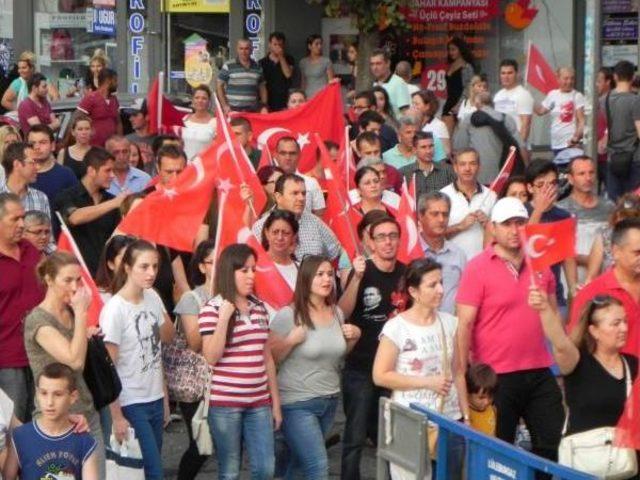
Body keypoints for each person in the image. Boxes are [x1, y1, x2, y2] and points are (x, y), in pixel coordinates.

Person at [456, 197, 564, 462]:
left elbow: (554, 320)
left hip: (539, 368)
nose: (515, 230)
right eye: (507, 224)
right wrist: (463, 374)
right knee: (498, 452)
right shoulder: (477, 267)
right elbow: (464, 324)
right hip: (496, 375)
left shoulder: (541, 263)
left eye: (520, 223)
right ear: (493, 227)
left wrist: (562, 366)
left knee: (553, 444)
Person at [373, 258, 469, 480]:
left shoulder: (450, 323)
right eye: (432, 285)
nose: (441, 290)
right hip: (410, 420)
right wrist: (427, 382)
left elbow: (458, 372)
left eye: (441, 283)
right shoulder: (397, 327)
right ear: (413, 291)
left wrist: (466, 417)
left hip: (449, 420)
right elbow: (380, 375)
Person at [270, 255, 361, 479]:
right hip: (297, 402)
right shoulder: (288, 315)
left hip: (329, 400)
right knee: (318, 467)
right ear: (306, 278)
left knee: (299, 464)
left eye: (330, 274)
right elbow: (270, 358)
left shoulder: (337, 313)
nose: (327, 279)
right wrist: (290, 340)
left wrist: (354, 339)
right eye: (320, 274)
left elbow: (334, 355)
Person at [199, 243, 281, 480]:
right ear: (229, 271)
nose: (251, 276)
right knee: (230, 470)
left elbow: (267, 358)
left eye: (253, 270)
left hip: (258, 401)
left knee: (266, 468)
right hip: (225, 403)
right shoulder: (211, 309)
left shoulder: (259, 307)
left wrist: (274, 402)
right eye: (244, 270)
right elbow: (210, 357)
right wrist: (224, 318)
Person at [24, 252, 105, 476]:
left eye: (78, 280)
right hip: (55, 419)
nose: (74, 287)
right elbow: (74, 360)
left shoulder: (70, 311)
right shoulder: (37, 320)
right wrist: (81, 313)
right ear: (49, 280)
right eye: (67, 280)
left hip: (87, 413)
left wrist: (85, 330)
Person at [100, 239, 175, 480]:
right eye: (144, 266)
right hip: (130, 401)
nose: (151, 272)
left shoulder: (152, 297)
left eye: (155, 266)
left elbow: (160, 347)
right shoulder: (114, 309)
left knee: (149, 470)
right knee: (153, 471)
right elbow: (107, 368)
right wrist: (116, 415)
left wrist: (163, 397)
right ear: (127, 268)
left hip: (154, 396)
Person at [338, 216, 406, 480]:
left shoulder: (406, 272)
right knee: (355, 436)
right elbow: (341, 312)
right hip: (361, 367)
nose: (388, 242)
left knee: (391, 438)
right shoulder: (360, 271)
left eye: (392, 235)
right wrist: (356, 278)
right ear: (370, 242)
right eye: (381, 237)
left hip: (394, 369)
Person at [532, 290, 638, 439]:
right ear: (594, 331)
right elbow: (560, 344)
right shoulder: (578, 361)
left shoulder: (632, 364)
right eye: (616, 324)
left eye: (625, 321)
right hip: (582, 457)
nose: (624, 328)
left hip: (624, 458)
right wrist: (544, 309)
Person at [3, 363, 98, 480]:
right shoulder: (19, 437)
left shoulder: (85, 441)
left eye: (58, 394)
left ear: (73, 397)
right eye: (44, 393)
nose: (50, 402)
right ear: (37, 394)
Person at [0, 192, 45, 422]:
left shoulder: (30, 250)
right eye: (14, 219)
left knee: (39, 423)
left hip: (40, 351)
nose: (21, 224)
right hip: (7, 358)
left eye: (23, 217)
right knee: (12, 428)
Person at [172, 240, 215, 480]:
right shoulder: (192, 299)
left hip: (222, 381)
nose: (218, 266)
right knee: (200, 445)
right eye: (212, 262)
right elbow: (194, 343)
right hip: (195, 385)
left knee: (219, 443)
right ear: (201, 267)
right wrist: (216, 313)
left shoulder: (233, 295)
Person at [570, 218, 640, 357]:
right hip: (615, 377)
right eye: (637, 253)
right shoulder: (592, 294)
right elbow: (576, 344)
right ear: (615, 252)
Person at [55, 147, 124, 276]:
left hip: (106, 276)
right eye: (107, 171)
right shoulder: (66, 196)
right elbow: (74, 218)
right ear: (91, 171)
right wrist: (113, 203)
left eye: (113, 171)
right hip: (76, 275)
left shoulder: (112, 201)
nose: (112, 176)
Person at [525, 159, 577, 307]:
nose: (548, 189)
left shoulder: (563, 217)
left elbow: (568, 258)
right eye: (541, 185)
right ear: (530, 188)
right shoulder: (520, 212)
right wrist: (539, 210)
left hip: (555, 296)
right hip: (526, 296)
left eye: (553, 183)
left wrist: (573, 291)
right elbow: (522, 248)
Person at [253, 174, 341, 260]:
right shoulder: (260, 227)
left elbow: (338, 253)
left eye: (303, 193)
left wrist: (345, 268)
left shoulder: (315, 222)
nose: (301, 198)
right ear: (278, 197)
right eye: (295, 193)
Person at [558, 155, 613, 277]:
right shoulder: (560, 210)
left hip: (602, 278)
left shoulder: (609, 207)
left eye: (591, 173)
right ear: (571, 179)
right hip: (570, 279)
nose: (588, 178)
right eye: (581, 174)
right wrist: (587, 259)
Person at [453, 91, 523, 185]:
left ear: (477, 104)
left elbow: (459, 148)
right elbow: (520, 147)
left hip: (476, 177)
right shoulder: (506, 118)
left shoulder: (469, 120)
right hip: (503, 176)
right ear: (492, 103)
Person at [442, 148, 497, 260]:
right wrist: (459, 226)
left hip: (484, 263)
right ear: (455, 168)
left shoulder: (492, 196)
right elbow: (433, 235)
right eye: (463, 164)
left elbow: (501, 235)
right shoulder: (442, 195)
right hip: (452, 264)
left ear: (479, 167)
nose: (467, 169)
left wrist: (488, 225)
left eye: (472, 163)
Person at [418, 191, 467, 315]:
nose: (441, 220)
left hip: (451, 327)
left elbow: (466, 296)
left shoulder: (458, 254)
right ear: (420, 216)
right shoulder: (411, 252)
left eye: (445, 214)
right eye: (434, 214)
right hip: (418, 328)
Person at [28, 125, 78, 235]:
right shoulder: (22, 176)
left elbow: (76, 209)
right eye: (32, 143)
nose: (37, 147)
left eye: (42, 142)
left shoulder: (66, 174)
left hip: (61, 240)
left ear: (53, 146)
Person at [604, 60, 640, 201]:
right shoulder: (636, 101)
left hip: (612, 157)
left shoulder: (605, 100)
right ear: (633, 77)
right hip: (634, 158)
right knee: (633, 203)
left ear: (615, 77)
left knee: (615, 202)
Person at [0, 142, 52, 238]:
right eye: (33, 162)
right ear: (17, 164)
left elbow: (49, 238)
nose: (38, 167)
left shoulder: (41, 198)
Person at [586, 194, 640, 282]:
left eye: (631, 217)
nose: (625, 221)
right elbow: (591, 277)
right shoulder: (604, 237)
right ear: (616, 216)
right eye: (622, 216)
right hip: (609, 291)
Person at [534, 67, 585, 155]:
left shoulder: (577, 96)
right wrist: (529, 100)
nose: (569, 82)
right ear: (558, 79)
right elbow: (540, 111)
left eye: (572, 78)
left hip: (570, 144)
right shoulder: (553, 95)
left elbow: (582, 121)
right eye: (566, 78)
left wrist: (575, 138)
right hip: (556, 144)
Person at [493, 59, 534, 161]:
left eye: (509, 73)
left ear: (516, 74)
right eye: (503, 73)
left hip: (518, 148)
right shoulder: (498, 96)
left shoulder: (523, 94)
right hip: (501, 147)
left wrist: (517, 147)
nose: (506, 76)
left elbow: (525, 125)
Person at [273, 136, 326, 216]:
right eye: (283, 153)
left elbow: (319, 216)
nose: (288, 157)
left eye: (292, 153)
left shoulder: (311, 184)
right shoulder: (268, 183)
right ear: (276, 155)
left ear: (299, 155)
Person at [400, 131, 456, 206]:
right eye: (423, 147)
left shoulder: (448, 170)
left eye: (431, 146)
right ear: (414, 150)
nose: (428, 151)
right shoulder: (404, 173)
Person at [218, 38, 267, 114]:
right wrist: (224, 106)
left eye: (246, 49)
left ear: (251, 50)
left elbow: (262, 88)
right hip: (232, 110)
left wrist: (264, 106)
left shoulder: (258, 67)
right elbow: (219, 86)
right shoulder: (228, 65)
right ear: (237, 49)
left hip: (252, 111)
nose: (243, 52)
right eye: (241, 48)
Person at [76, 68, 122, 148]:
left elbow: (118, 122)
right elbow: (77, 119)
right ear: (108, 81)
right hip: (93, 148)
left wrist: (120, 140)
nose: (117, 84)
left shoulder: (114, 99)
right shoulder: (91, 98)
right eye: (115, 81)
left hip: (111, 149)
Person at [442, 36, 476, 135]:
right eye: (449, 50)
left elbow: (469, 88)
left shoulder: (466, 67)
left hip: (460, 103)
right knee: (446, 135)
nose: (451, 52)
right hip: (449, 102)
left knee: (460, 136)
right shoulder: (451, 65)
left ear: (460, 49)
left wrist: (459, 105)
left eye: (453, 49)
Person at [261, 209, 299, 291]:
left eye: (286, 233)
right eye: (275, 232)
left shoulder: (301, 270)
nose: (280, 238)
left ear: (294, 236)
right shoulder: (256, 267)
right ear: (267, 233)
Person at [95, 234, 136, 304]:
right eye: (124, 258)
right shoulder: (101, 298)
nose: (129, 263)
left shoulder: (146, 292)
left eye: (133, 258)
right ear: (111, 264)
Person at [370, 48, 410, 117]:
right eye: (372, 64)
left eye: (378, 63)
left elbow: (405, 112)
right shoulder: (374, 84)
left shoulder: (398, 83)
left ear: (388, 63)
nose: (374, 67)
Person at [411, 90, 450, 160]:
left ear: (427, 106)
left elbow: (446, 152)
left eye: (416, 104)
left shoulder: (439, 125)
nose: (413, 107)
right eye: (412, 104)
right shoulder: (411, 124)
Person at [260, 32, 295, 112]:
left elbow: (288, 74)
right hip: (268, 100)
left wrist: (281, 57)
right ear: (269, 44)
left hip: (284, 99)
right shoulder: (262, 62)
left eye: (280, 44)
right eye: (275, 44)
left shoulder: (289, 59)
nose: (278, 47)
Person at [182, 84, 216, 161]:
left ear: (209, 101)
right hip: (185, 167)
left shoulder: (215, 123)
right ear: (193, 100)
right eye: (197, 98)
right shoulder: (185, 119)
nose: (200, 101)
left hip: (203, 167)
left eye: (204, 98)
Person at [596, 67, 615, 194]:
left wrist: (604, 139)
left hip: (606, 155)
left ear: (608, 82)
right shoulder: (600, 99)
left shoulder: (608, 100)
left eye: (599, 81)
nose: (596, 85)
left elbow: (613, 123)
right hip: (598, 155)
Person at [465, 363, 498, 437]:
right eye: (481, 398)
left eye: (490, 397)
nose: (486, 402)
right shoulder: (466, 414)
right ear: (467, 393)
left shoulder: (492, 409)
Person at [57, 114, 93, 179]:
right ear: (73, 132)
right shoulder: (63, 153)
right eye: (80, 129)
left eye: (87, 129)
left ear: (91, 131)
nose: (84, 132)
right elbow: (59, 178)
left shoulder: (96, 153)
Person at [125, 98, 155, 175]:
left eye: (135, 115)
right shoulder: (126, 140)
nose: (131, 119)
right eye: (130, 115)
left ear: (147, 116)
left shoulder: (158, 141)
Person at [300, 34, 333, 100]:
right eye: (316, 44)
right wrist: (302, 95)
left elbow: (331, 81)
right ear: (309, 46)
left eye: (320, 44)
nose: (319, 46)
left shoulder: (326, 61)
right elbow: (303, 81)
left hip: (322, 95)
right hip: (308, 95)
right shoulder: (303, 62)